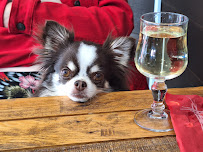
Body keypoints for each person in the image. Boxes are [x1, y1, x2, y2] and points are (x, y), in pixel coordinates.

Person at [0, 0, 148, 99]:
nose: (79, 84)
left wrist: (15, 12)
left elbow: (116, 21)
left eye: (96, 76)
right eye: (66, 72)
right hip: (10, 72)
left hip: (106, 80)